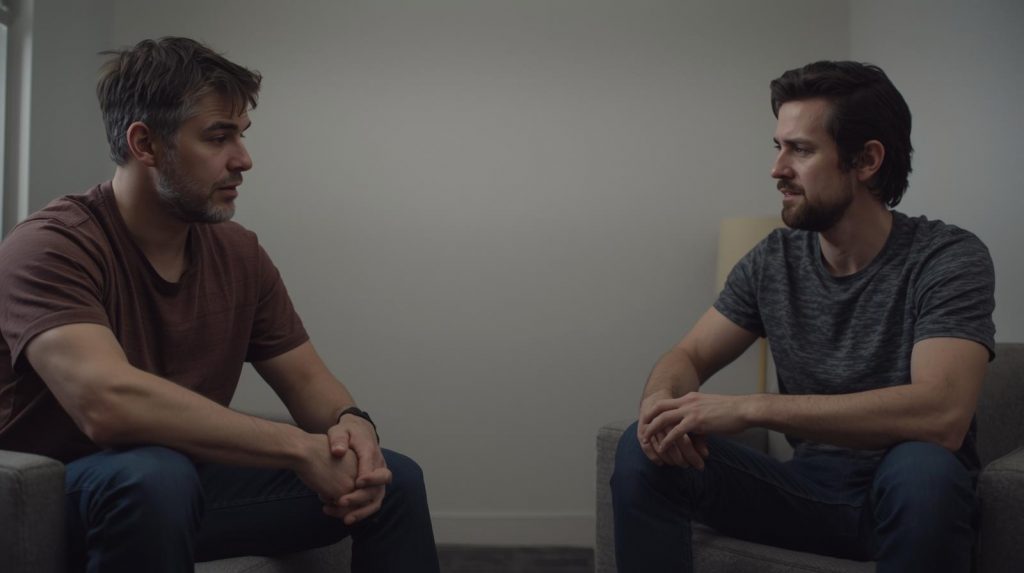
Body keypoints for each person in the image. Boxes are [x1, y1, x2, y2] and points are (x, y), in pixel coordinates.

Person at [0, 37, 440, 572]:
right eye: (218, 137)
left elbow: (308, 383)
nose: (243, 160)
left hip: (176, 481)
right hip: (51, 490)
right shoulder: (52, 246)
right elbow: (107, 405)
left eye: (242, 135)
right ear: (145, 143)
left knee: (394, 480)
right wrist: (295, 447)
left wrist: (354, 425)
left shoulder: (238, 253)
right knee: (154, 475)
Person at [610, 61, 995, 573]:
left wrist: (752, 408)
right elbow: (690, 354)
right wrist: (662, 403)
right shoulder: (774, 260)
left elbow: (942, 414)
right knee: (640, 449)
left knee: (925, 467)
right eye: (778, 146)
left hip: (910, 496)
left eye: (801, 149)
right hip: (806, 493)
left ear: (866, 160)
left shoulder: (945, 257)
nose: (777, 169)